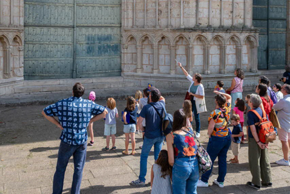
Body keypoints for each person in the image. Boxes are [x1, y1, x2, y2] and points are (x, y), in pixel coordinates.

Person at [41, 83, 107, 194]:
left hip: (67, 140)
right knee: (78, 169)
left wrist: (57, 124)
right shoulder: (88, 104)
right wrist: (90, 121)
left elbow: (44, 112)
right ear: (82, 93)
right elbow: (104, 112)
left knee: (60, 169)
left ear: (72, 92)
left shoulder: (63, 103)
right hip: (81, 141)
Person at [130, 87, 166, 186]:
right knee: (157, 158)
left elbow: (139, 122)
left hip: (149, 135)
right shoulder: (162, 104)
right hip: (160, 135)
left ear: (150, 96)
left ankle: (142, 179)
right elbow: (162, 98)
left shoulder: (147, 107)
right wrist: (156, 92)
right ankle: (157, 178)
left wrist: (143, 130)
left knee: (144, 157)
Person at [197, 91, 232, 188]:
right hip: (227, 137)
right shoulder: (227, 108)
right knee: (222, 159)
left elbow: (211, 127)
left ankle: (204, 180)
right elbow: (229, 97)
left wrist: (209, 134)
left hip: (217, 138)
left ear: (216, 101)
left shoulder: (215, 113)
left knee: (210, 159)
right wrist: (220, 92)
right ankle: (220, 181)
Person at [166, 109, 199, 194]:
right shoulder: (190, 131)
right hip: (195, 164)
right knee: (192, 191)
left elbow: (171, 161)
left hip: (181, 165)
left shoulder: (171, 135)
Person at [246, 94, 272, 190]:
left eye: (249, 101)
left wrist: (257, 142)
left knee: (254, 160)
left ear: (251, 103)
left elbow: (252, 129)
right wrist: (265, 142)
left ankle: (256, 183)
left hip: (255, 139)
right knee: (265, 159)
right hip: (264, 137)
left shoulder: (251, 113)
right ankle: (267, 180)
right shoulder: (262, 111)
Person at [178, 62, 206, 138]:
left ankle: (198, 131)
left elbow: (202, 96)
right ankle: (188, 128)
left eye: (194, 77)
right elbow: (186, 74)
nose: (192, 77)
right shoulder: (192, 82)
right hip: (190, 100)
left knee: (196, 116)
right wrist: (181, 66)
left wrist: (193, 94)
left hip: (196, 101)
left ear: (197, 79)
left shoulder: (200, 86)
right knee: (188, 114)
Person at [273, 84, 290, 166]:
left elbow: (274, 107)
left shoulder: (284, 101)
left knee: (284, 141)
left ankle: (286, 160)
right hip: (288, 122)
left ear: (285, 91)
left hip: (283, 123)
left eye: (282, 88)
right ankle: (287, 157)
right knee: (288, 140)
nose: (281, 89)